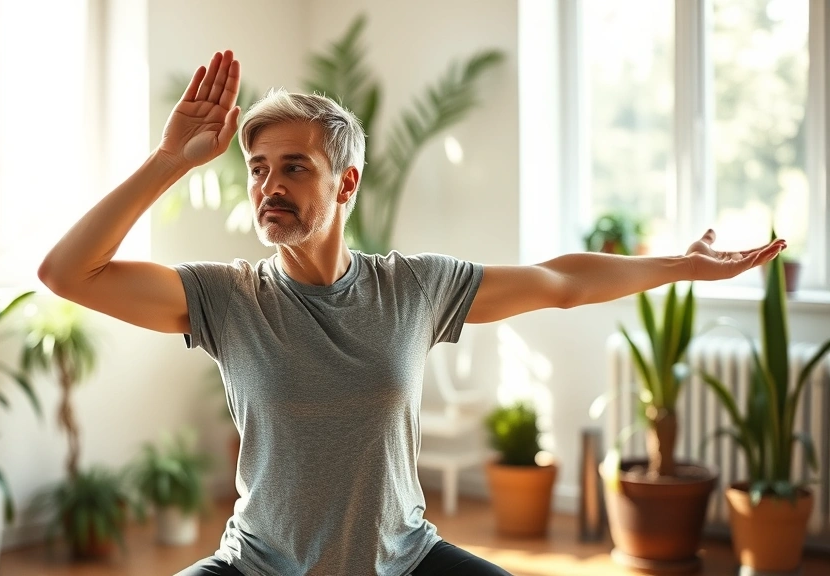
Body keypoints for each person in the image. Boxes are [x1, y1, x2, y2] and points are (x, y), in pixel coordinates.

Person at [38, 50, 786, 576]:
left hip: (405, 558)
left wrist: (681, 266)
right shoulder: (227, 298)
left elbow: (559, 281)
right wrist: (168, 161)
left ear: (346, 183)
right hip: (259, 565)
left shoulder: (412, 289)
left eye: (295, 166)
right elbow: (67, 273)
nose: (269, 184)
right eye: (258, 168)